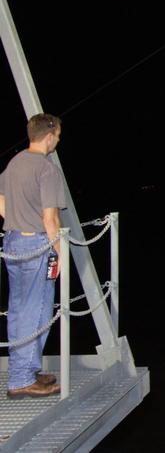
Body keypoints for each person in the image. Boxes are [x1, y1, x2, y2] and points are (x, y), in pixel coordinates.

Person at [0, 114, 67, 398]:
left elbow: (2, 203)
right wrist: (60, 252)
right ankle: (20, 380)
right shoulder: (46, 169)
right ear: (49, 135)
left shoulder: (14, 163)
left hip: (13, 242)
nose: (59, 140)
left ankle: (26, 370)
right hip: (35, 246)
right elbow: (50, 218)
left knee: (19, 310)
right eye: (59, 135)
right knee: (35, 311)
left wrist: (18, 221)